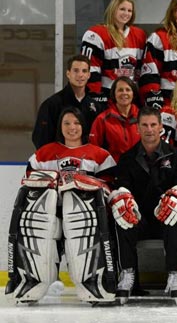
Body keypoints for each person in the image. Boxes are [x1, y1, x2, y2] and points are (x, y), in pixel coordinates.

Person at [7, 107, 116, 304]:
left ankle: (90, 283)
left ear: (83, 126)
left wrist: (87, 184)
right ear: (60, 126)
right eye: (67, 123)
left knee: (84, 230)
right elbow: (30, 186)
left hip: (86, 216)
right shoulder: (44, 154)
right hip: (50, 213)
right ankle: (34, 281)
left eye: (76, 123)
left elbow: (109, 187)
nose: (72, 127)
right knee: (39, 229)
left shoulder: (100, 155)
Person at [110, 106, 177, 304]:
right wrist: (123, 200)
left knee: (176, 214)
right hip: (140, 219)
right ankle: (127, 274)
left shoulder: (176, 156)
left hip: (166, 217)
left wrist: (175, 198)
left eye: (153, 124)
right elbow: (122, 188)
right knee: (122, 216)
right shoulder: (127, 159)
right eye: (144, 125)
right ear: (137, 128)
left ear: (161, 127)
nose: (149, 129)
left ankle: (176, 274)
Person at [80, 0, 147, 108]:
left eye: (129, 10)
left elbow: (140, 70)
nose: (126, 13)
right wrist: (96, 99)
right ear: (113, 9)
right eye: (122, 9)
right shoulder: (96, 34)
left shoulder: (139, 35)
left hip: (130, 99)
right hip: (107, 98)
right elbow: (91, 71)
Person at [32, 55, 100, 149]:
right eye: (76, 70)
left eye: (84, 71)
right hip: (59, 161)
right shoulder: (52, 104)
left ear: (89, 75)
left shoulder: (96, 106)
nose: (80, 75)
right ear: (68, 73)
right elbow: (40, 139)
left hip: (88, 161)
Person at [89, 76, 141, 162]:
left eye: (128, 90)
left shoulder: (142, 117)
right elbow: (94, 149)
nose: (124, 93)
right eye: (120, 90)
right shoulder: (102, 119)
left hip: (138, 170)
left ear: (133, 93)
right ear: (114, 93)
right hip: (112, 171)